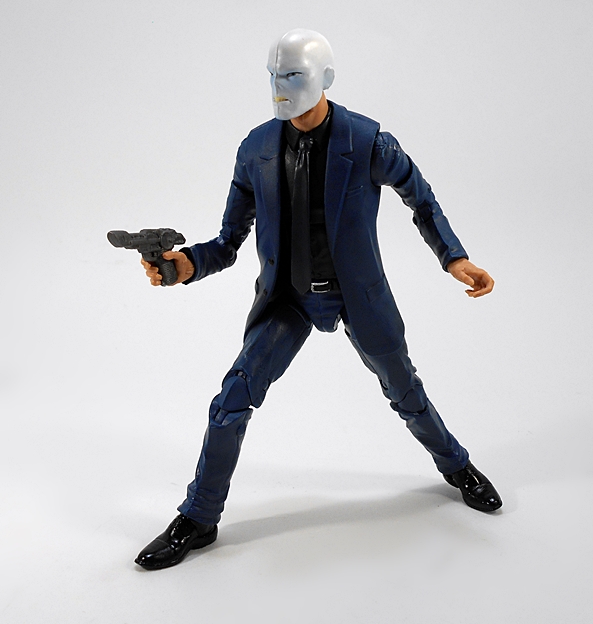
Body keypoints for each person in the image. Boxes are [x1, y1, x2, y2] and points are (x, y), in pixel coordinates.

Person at [134, 29, 501, 571]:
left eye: (293, 75)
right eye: (273, 75)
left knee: (405, 391)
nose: (279, 87)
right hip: (289, 299)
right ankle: (199, 516)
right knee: (231, 401)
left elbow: (420, 199)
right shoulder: (256, 149)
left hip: (358, 296)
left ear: (326, 78)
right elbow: (229, 242)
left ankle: (456, 466)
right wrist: (183, 266)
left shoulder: (368, 142)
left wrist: (453, 257)